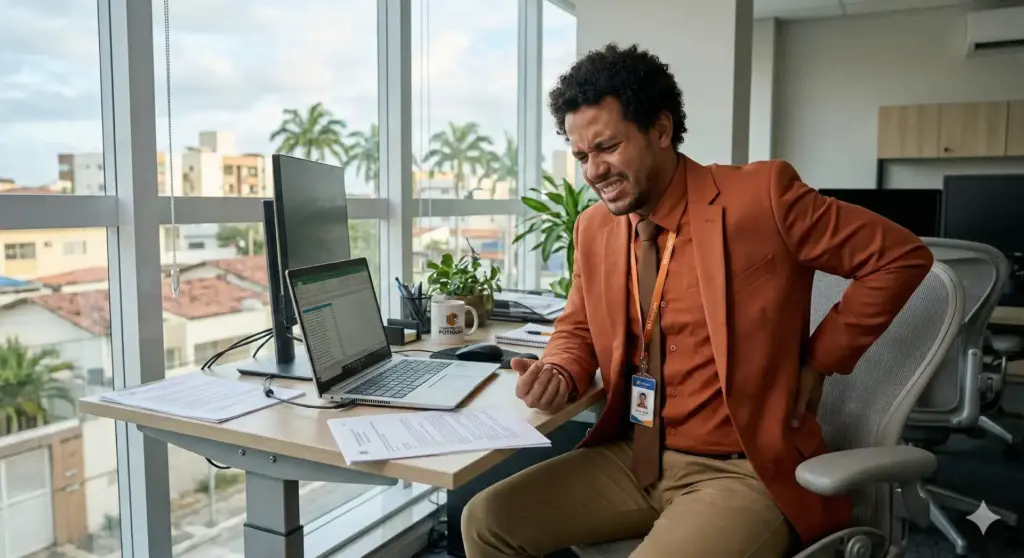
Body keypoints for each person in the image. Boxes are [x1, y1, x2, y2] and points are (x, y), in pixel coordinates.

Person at [460, 43, 934, 558]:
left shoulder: (762, 197)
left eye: (608, 147)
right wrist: (559, 370)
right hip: (635, 456)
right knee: (486, 521)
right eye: (581, 157)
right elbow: (578, 325)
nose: (593, 171)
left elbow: (899, 257)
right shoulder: (594, 228)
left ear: (661, 129)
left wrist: (820, 361)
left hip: (741, 470)